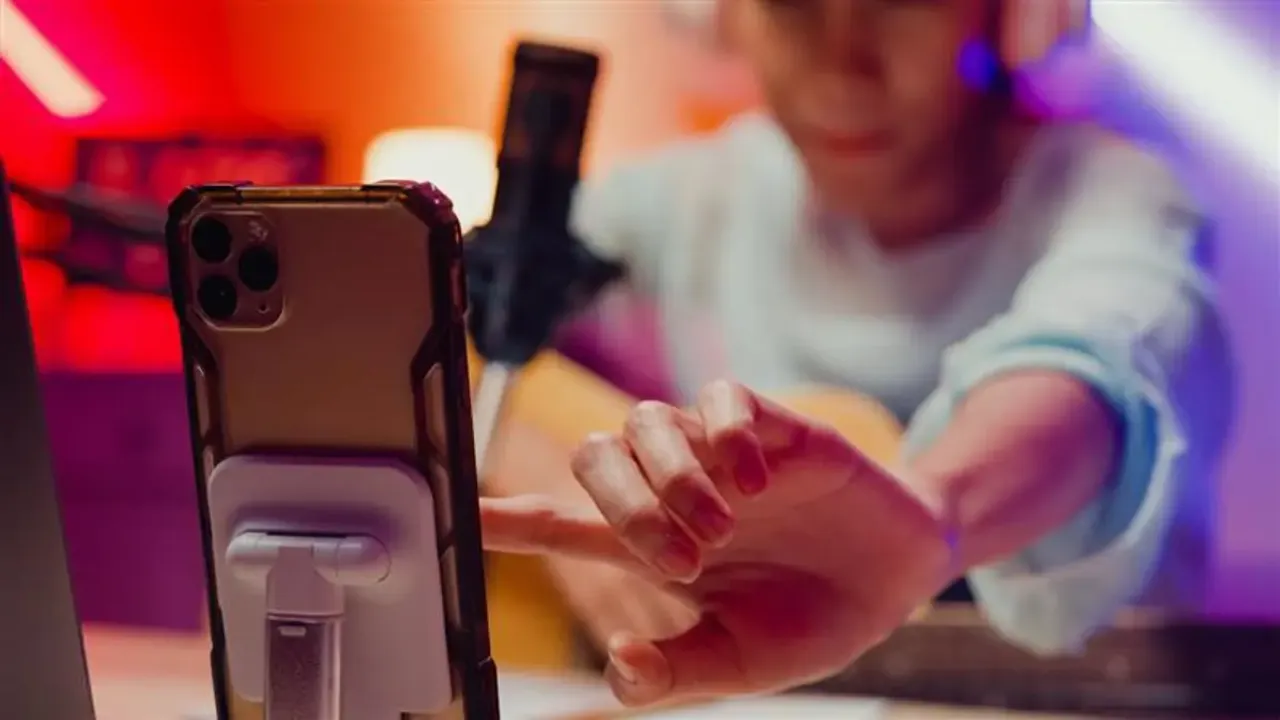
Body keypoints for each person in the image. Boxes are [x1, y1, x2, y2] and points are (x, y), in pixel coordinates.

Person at [479, 0, 1234, 708]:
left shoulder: (1118, 196)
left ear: (1008, 14)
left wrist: (932, 518)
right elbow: (440, 331)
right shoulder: (688, 196)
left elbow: (1091, 359)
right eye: (792, 2)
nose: (843, 68)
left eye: (900, 0)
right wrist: (534, 461)